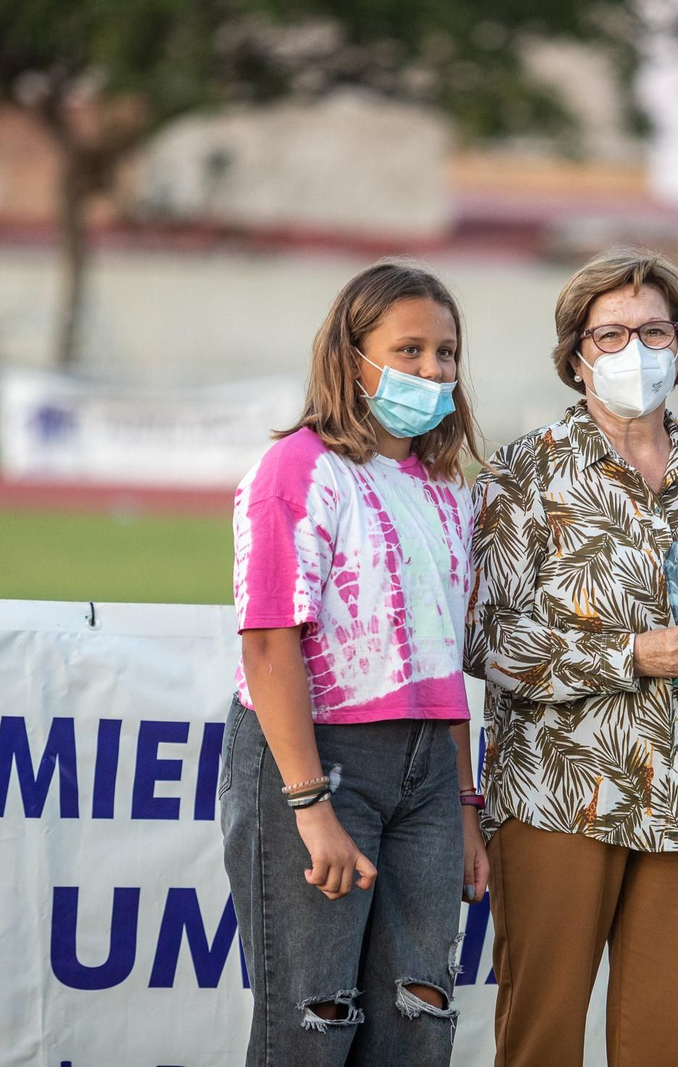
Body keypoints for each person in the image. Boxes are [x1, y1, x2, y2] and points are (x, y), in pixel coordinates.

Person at [464, 247, 678, 1067]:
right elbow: (490, 639)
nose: (635, 351)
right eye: (611, 333)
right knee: (542, 1036)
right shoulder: (524, 471)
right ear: (577, 352)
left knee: (669, 1044)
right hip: (560, 796)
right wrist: (634, 653)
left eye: (653, 330)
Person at [220, 261, 488, 1067]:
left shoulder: (448, 487)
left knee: (420, 1014)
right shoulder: (297, 470)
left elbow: (444, 665)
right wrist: (309, 803)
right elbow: (269, 643)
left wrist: (466, 804)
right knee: (315, 1019)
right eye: (408, 351)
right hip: (317, 762)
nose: (432, 371)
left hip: (429, 777)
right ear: (350, 356)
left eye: (445, 353)